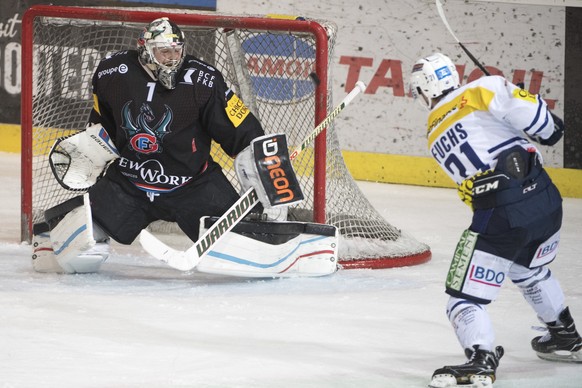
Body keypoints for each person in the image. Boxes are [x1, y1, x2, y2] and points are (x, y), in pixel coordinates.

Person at [33, 17, 265, 273]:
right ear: (145, 49)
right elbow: (103, 124)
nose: (172, 58)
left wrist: (263, 167)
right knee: (82, 249)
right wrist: (93, 149)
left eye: (177, 50)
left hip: (192, 185)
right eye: (164, 51)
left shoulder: (204, 80)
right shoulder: (112, 73)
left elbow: (242, 131)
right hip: (129, 184)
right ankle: (52, 239)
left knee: (246, 244)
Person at [409, 53, 582, 387]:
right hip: (547, 199)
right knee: (528, 269)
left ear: (425, 88)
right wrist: (540, 114)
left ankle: (480, 361)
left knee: (464, 298)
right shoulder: (481, 89)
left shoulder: (434, 133)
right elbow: (544, 127)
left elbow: (470, 192)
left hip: (500, 210)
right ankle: (565, 336)